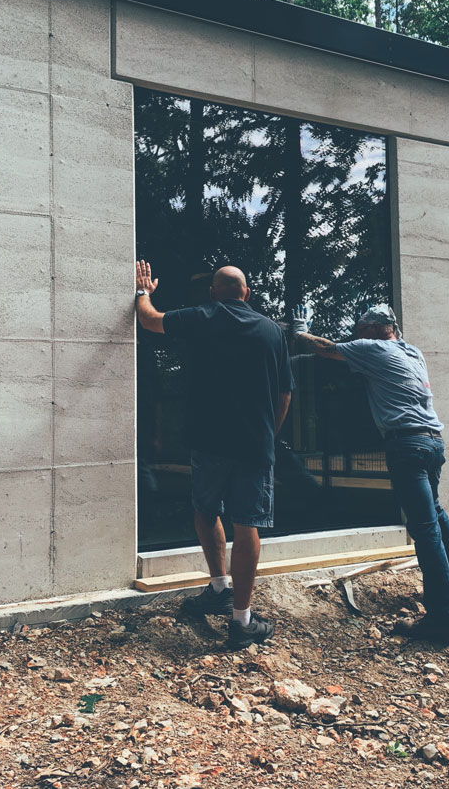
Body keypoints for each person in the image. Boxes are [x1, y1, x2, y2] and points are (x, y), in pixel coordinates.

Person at [134, 260, 293, 649]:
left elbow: (150, 321)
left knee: (206, 511)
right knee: (247, 522)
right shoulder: (272, 331)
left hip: (208, 441)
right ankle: (239, 617)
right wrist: (268, 434)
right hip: (253, 443)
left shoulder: (203, 316)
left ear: (213, 293)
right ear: (247, 294)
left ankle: (221, 588)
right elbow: (285, 393)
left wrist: (143, 292)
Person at [291, 302, 449, 647]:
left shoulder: (373, 348)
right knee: (436, 512)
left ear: (373, 330)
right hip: (433, 443)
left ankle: (441, 619)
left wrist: (298, 329)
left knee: (423, 528)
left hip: (407, 446)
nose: (357, 339)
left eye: (360, 332)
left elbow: (323, 348)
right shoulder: (413, 352)